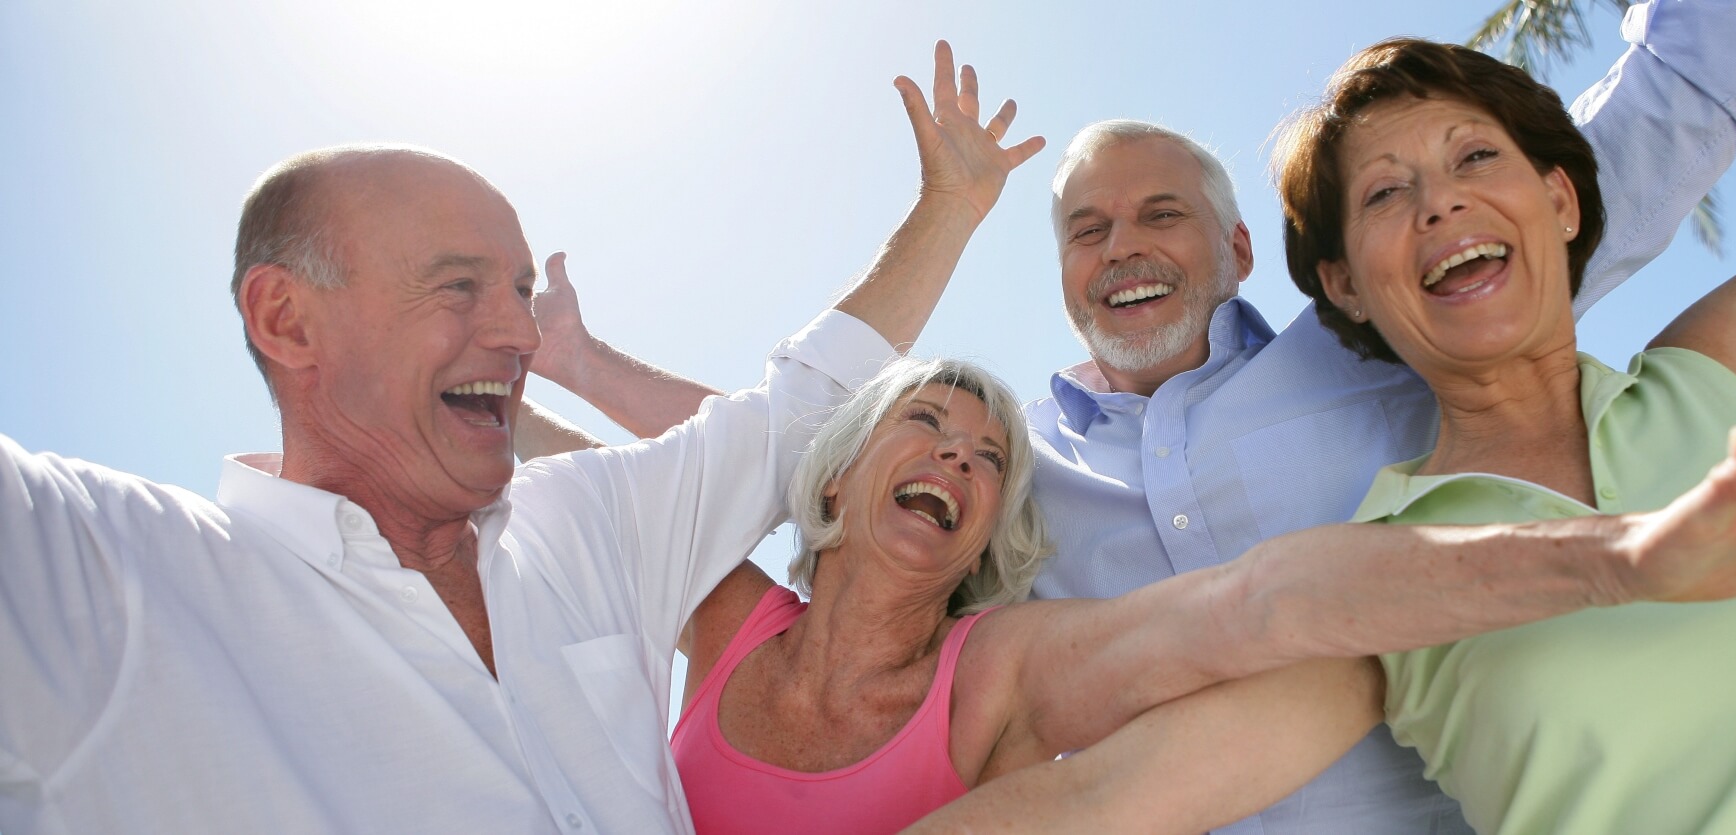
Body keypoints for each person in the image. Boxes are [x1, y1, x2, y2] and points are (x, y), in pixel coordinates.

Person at [527, 1, 1736, 830]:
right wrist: (580, 364)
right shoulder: (1007, 470)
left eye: (1159, 215)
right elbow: (804, 461)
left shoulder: (1381, 333)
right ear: (1063, 276)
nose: (1122, 247)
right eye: (1088, 228)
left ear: (1242, 248)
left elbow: (1660, 120)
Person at [0, 43, 1042, 834]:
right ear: (286, 319)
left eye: (516, 289)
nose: (513, 330)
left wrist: (947, 208)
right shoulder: (112, 573)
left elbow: (798, 407)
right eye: (457, 286)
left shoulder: (588, 527)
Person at [906, 35, 1736, 835]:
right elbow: (1098, 796)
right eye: (1385, 193)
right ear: (1342, 282)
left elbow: (1702, 79)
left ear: (1559, 199)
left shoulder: (1721, 377)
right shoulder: (1383, 590)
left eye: (1474, 157)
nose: (1441, 200)